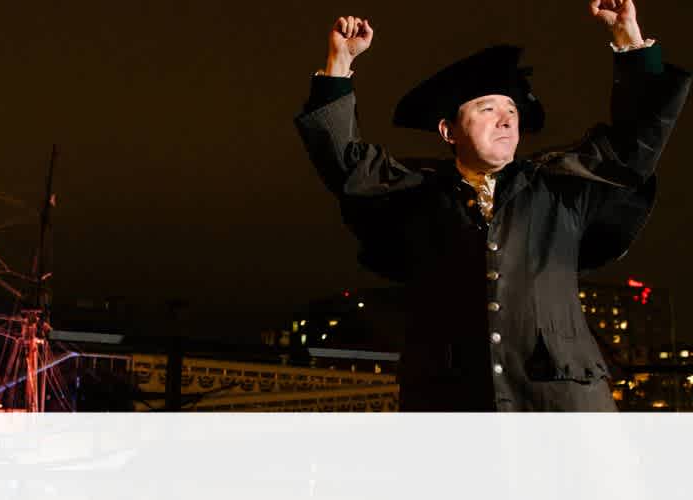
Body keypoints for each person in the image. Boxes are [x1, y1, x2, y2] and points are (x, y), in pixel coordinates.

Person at [294, 0, 691, 411]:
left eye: (512, 110)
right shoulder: (419, 197)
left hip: (564, 409)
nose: (506, 120)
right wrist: (339, 63)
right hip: (452, 407)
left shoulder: (559, 190)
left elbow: (634, 145)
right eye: (488, 109)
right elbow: (345, 163)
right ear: (448, 131)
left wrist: (628, 38)